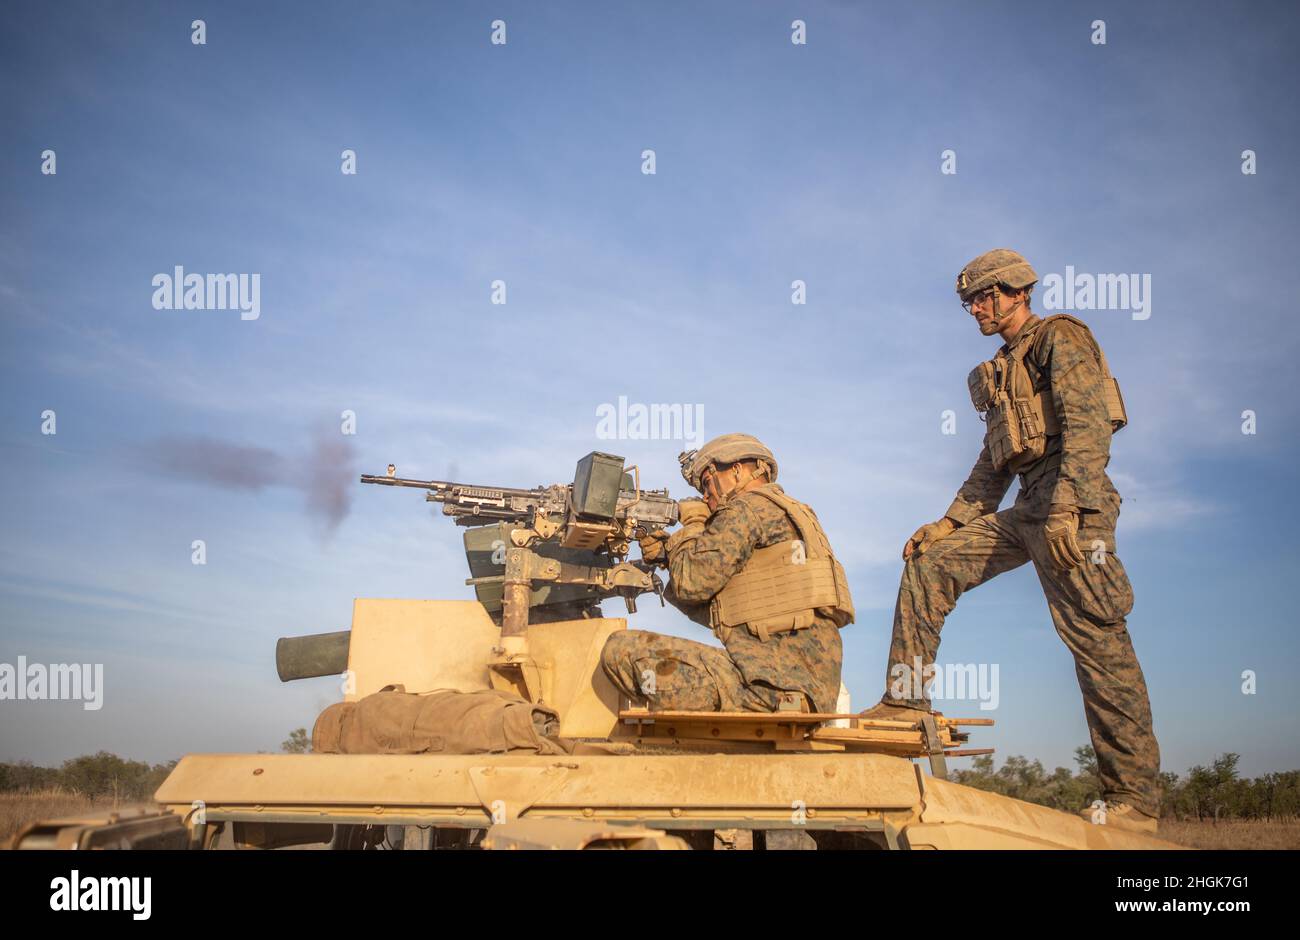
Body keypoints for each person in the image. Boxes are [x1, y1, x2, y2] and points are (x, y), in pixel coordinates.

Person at [859, 248, 1161, 834]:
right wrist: (947, 524)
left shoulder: (1060, 337)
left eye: (983, 296)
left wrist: (1070, 506)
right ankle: (904, 703)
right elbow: (993, 462)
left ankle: (1135, 803)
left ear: (1017, 291)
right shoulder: (1003, 368)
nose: (975, 308)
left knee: (1099, 646)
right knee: (929, 564)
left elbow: (1087, 425)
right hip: (1028, 506)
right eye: (968, 300)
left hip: (1074, 505)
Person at [600, 434, 853, 714]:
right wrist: (668, 556)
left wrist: (693, 523)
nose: (707, 499)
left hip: (765, 686)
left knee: (620, 649)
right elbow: (721, 609)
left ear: (737, 470)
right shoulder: (796, 515)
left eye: (707, 484)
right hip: (802, 690)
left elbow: (692, 584)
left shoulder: (746, 509)